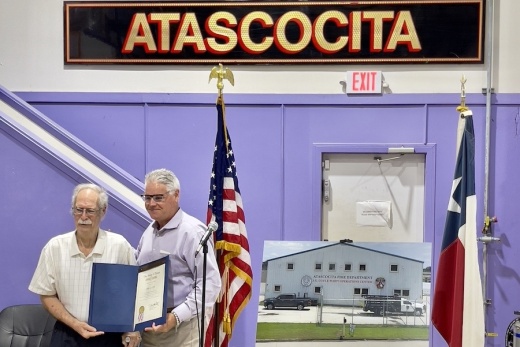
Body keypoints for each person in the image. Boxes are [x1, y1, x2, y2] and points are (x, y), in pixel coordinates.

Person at [29, 183, 142, 347]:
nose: (83, 216)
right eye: (78, 209)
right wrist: (74, 323)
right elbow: (46, 294)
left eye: (90, 211)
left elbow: (133, 292)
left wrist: (132, 328)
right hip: (68, 333)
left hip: (109, 336)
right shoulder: (55, 247)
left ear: (103, 211)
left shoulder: (119, 245)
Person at [136, 168, 221, 347]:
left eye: (158, 197)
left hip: (181, 330)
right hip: (149, 328)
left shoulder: (192, 231)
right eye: (147, 197)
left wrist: (175, 317)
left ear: (176, 195)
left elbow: (210, 284)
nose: (151, 203)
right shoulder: (149, 232)